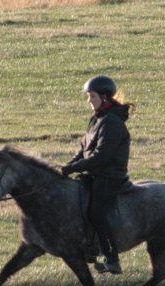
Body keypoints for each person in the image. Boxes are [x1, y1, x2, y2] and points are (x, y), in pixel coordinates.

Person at [61, 75, 134, 275]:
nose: (89, 101)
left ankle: (112, 258)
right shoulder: (97, 119)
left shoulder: (112, 123)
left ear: (104, 97)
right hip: (94, 175)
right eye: (88, 96)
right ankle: (89, 249)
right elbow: (83, 149)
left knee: (96, 213)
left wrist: (73, 169)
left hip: (110, 177)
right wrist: (66, 167)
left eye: (92, 96)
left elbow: (101, 157)